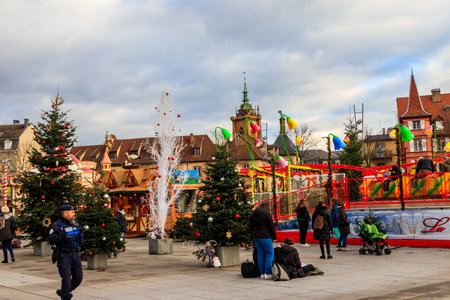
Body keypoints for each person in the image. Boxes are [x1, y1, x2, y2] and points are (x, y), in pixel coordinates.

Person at [49, 203, 83, 300]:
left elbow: (80, 240)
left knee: (78, 277)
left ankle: (64, 292)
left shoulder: (75, 224)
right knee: (66, 279)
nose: (73, 214)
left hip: (75, 254)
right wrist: (63, 234)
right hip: (64, 255)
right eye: (71, 212)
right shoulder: (57, 226)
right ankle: (66, 296)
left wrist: (81, 233)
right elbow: (52, 240)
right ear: (65, 214)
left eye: (73, 212)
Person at [249, 202, 277, 280]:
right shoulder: (266, 214)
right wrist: (274, 237)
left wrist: (252, 238)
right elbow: (271, 226)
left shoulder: (252, 215)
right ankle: (267, 273)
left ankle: (262, 273)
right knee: (269, 253)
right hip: (265, 236)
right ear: (266, 207)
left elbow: (250, 227)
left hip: (256, 236)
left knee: (260, 254)